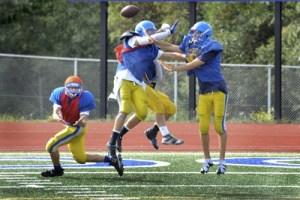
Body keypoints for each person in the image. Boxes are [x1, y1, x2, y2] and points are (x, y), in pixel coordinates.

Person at [154, 21, 228, 175]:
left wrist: (175, 68)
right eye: (193, 32)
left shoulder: (213, 46)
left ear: (205, 34)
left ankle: (222, 161)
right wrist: (154, 40)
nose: (194, 36)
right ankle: (207, 160)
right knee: (203, 128)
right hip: (204, 90)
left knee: (219, 127)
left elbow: (195, 63)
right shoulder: (189, 43)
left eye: (197, 33)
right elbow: (173, 48)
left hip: (218, 89)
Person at [107, 20, 184, 160]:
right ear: (142, 31)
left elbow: (170, 54)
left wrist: (187, 57)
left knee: (142, 113)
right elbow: (149, 39)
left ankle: (131, 135)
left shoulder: (152, 50)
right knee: (125, 109)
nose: (153, 34)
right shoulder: (132, 39)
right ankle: (112, 142)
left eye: (154, 31)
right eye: (150, 31)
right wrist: (167, 31)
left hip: (139, 82)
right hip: (124, 78)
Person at [41, 75, 123, 177]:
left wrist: (81, 122)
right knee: (81, 159)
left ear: (81, 88)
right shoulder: (58, 93)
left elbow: (84, 121)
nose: (74, 90)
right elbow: (55, 111)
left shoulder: (85, 97)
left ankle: (57, 170)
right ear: (66, 87)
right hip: (70, 128)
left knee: (51, 145)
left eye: (76, 88)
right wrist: (57, 116)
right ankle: (112, 160)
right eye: (71, 87)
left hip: (77, 129)